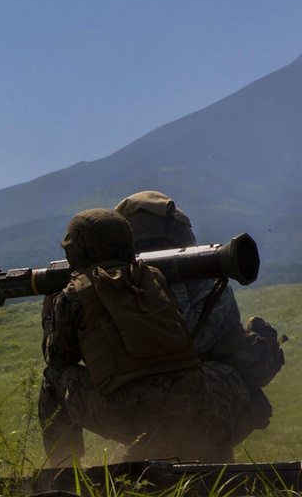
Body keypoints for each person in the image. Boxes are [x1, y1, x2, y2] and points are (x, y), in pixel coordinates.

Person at [38, 208, 254, 468]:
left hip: (128, 416)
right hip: (191, 406)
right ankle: (209, 454)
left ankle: (64, 470)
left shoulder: (74, 294)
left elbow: (59, 358)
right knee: (225, 373)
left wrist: (49, 318)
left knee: (52, 379)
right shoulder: (154, 278)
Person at [113, 190, 285, 444]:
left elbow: (189, 344)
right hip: (156, 404)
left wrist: (171, 276)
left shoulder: (212, 287)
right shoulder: (122, 286)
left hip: (210, 397)